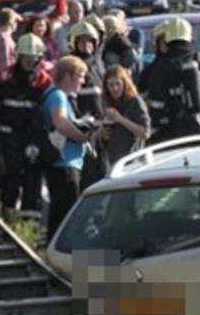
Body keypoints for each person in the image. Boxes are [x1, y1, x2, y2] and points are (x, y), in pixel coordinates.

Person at [0, 33, 49, 219]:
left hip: (34, 141)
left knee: (33, 184)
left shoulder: (44, 82)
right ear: (19, 57)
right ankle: (7, 217)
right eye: (26, 58)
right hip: (9, 140)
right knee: (10, 182)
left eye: (33, 58)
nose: (29, 62)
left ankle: (30, 225)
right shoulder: (5, 79)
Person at [145, 17, 200, 143]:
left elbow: (156, 106)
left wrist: (155, 135)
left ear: (168, 38)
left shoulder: (162, 67)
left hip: (172, 137)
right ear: (189, 36)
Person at [42, 56, 94, 241]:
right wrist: (82, 137)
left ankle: (55, 256)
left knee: (60, 215)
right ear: (68, 76)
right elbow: (61, 122)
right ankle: (73, 263)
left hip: (68, 163)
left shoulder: (63, 97)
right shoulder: (58, 96)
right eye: (80, 76)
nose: (83, 81)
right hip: (64, 163)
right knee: (68, 216)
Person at [68, 21, 107, 189]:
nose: (86, 46)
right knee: (84, 179)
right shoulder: (71, 66)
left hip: (100, 132)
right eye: (82, 42)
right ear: (74, 43)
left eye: (90, 41)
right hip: (82, 133)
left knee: (101, 174)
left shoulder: (97, 64)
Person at [100, 65, 150, 170]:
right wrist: (103, 134)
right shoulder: (107, 103)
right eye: (111, 85)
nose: (115, 88)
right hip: (113, 162)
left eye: (118, 84)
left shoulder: (135, 102)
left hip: (132, 162)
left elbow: (145, 133)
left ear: (125, 83)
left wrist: (120, 119)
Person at [0, 8, 22, 82]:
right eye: (16, 21)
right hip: (7, 77)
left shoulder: (3, 36)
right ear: (10, 22)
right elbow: (4, 62)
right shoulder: (3, 39)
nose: (16, 24)